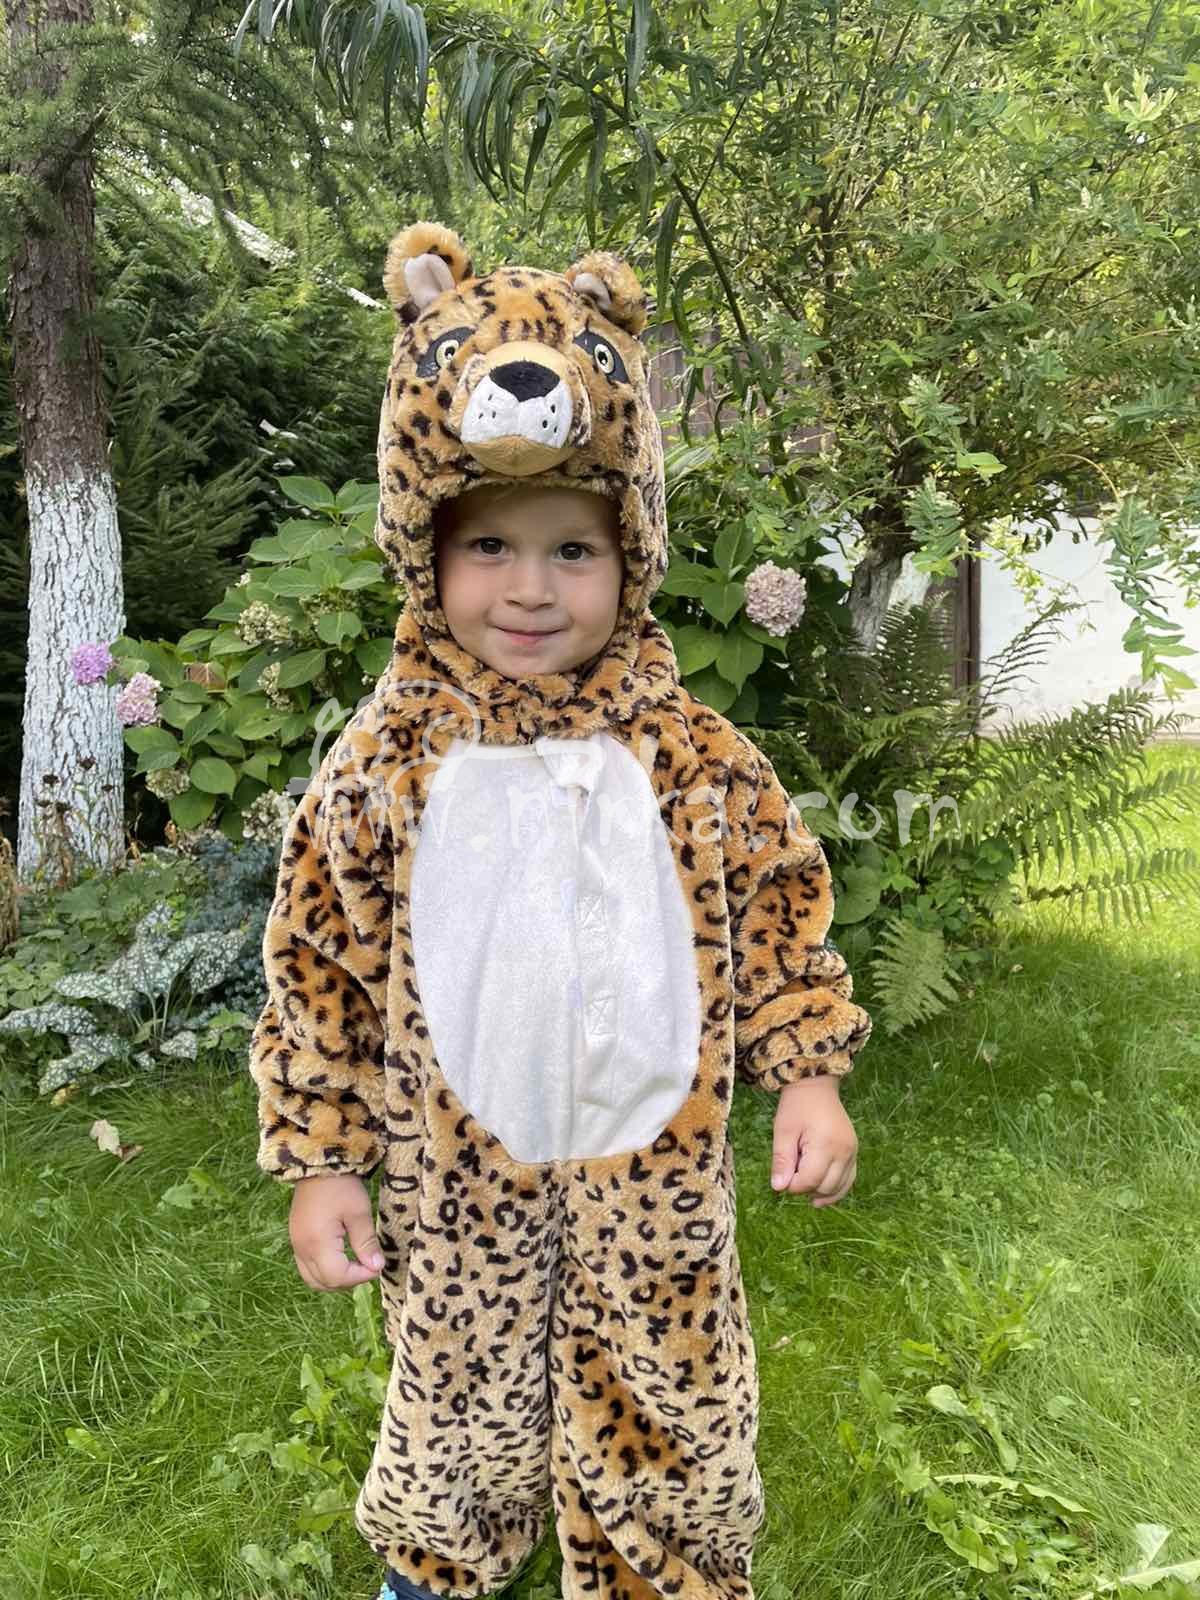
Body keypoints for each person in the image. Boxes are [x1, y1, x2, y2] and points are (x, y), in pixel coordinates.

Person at [248, 221, 872, 1600]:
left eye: (573, 551)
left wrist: (810, 1074)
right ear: (424, 548)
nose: (531, 589)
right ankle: (440, 1560)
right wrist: (324, 1161)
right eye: (490, 546)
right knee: (454, 1389)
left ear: (631, 554)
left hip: (657, 1169)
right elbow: (318, 973)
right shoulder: (385, 763)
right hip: (453, 1171)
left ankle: (667, 1568)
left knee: (675, 1391)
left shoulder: (693, 754)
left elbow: (780, 911)